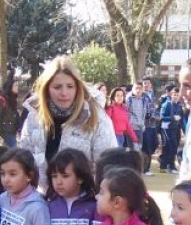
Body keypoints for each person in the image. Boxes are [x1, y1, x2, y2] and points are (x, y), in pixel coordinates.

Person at [18, 56, 118, 193]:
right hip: (45, 199)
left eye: (70, 86)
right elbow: (24, 161)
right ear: (47, 89)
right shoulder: (34, 118)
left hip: (85, 202)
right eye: (57, 87)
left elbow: (109, 166)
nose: (64, 93)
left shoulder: (97, 118)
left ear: (78, 87)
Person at [158, 87, 186, 174]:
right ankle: (163, 166)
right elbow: (161, 117)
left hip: (175, 129)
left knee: (174, 147)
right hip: (166, 129)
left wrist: (186, 132)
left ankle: (171, 165)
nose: (176, 96)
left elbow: (182, 120)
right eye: (174, 95)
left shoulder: (180, 106)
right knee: (168, 147)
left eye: (177, 95)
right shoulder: (167, 104)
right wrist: (172, 118)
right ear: (171, 95)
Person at [138, 79, 160, 173]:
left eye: (148, 83)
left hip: (153, 124)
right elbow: (145, 111)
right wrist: (153, 115)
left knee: (155, 143)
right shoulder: (142, 96)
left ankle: (147, 167)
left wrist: (158, 114)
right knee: (146, 147)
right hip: (145, 125)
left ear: (151, 84)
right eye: (144, 83)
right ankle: (145, 169)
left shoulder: (152, 94)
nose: (146, 85)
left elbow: (155, 107)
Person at [0, 79, 23, 149]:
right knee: (14, 149)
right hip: (5, 129)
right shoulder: (2, 99)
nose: (17, 87)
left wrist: (19, 126)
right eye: (15, 85)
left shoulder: (13, 98)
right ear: (10, 87)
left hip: (12, 129)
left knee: (6, 149)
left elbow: (15, 115)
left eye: (17, 85)